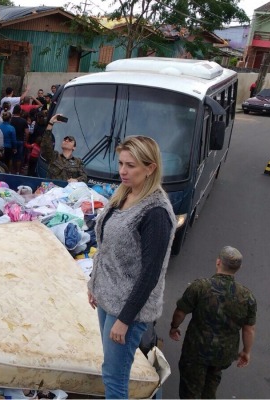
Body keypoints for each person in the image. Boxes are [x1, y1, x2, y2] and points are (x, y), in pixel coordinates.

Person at [86, 135, 176, 399]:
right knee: (110, 368)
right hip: (108, 297)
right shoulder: (125, 194)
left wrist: (125, 320)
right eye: (121, 163)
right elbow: (107, 248)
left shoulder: (156, 213)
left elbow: (150, 274)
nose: (123, 171)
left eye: (131, 165)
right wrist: (95, 283)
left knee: (115, 377)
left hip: (128, 309)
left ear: (150, 168)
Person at [169, 246, 257, 399]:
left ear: (218, 262)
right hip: (223, 355)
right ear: (239, 268)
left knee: (190, 390)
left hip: (196, 351)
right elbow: (249, 329)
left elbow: (180, 312)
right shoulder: (247, 297)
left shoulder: (200, 287)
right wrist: (246, 351)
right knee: (211, 384)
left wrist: (174, 327)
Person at [41, 115, 88, 183]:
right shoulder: (54, 156)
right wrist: (51, 123)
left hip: (68, 191)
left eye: (70, 140)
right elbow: (46, 145)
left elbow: (84, 177)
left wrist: (76, 180)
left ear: (74, 147)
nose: (66, 141)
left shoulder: (78, 162)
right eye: (65, 139)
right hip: (53, 191)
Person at [10, 105, 29, 174]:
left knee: (11, 157)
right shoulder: (23, 121)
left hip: (11, 141)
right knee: (19, 157)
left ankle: (10, 170)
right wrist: (25, 141)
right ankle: (17, 171)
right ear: (20, 111)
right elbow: (27, 132)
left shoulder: (10, 120)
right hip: (20, 141)